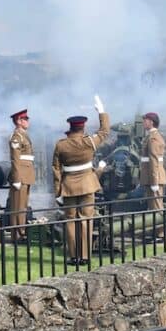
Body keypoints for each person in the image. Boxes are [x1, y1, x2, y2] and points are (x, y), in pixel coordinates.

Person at [52, 96, 110, 266]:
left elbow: (55, 168)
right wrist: (101, 111)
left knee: (70, 220)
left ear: (70, 128)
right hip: (87, 184)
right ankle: (85, 256)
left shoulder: (61, 145)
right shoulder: (89, 142)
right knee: (86, 219)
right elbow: (105, 131)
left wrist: (58, 192)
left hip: (69, 186)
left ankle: (73, 256)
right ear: (83, 127)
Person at [6, 108, 35, 240]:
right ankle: (17, 234)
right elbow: (15, 158)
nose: (28, 121)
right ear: (18, 121)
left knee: (23, 205)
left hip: (26, 172)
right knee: (17, 205)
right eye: (25, 119)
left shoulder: (23, 134)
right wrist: (16, 178)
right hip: (20, 174)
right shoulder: (17, 137)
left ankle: (21, 231)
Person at [140, 112, 166, 235]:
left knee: (156, 207)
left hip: (154, 177)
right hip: (150, 177)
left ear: (151, 122)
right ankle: (156, 233)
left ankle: (159, 234)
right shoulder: (150, 136)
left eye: (145, 120)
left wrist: (154, 181)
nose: (143, 122)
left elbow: (154, 160)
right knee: (153, 207)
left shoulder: (153, 138)